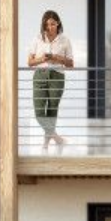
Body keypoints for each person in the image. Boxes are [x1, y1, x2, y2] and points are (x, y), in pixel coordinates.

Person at [27, 10, 74, 152]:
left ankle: (46, 144)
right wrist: (42, 59)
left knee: (52, 111)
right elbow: (30, 62)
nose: (50, 27)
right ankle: (57, 138)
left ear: (58, 23)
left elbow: (70, 64)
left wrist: (56, 58)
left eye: (52, 24)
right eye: (47, 24)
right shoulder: (37, 39)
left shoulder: (65, 40)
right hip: (40, 75)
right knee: (39, 113)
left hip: (57, 76)